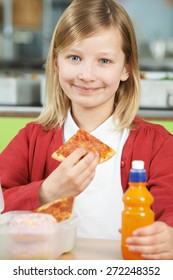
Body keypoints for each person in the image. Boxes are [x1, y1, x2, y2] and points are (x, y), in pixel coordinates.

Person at [0, 0, 173, 260]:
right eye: (74, 57)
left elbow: (169, 210)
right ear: (56, 63)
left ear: (126, 68)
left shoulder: (157, 144)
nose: (87, 74)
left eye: (104, 60)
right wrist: (46, 192)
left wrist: (168, 235)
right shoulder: (32, 139)